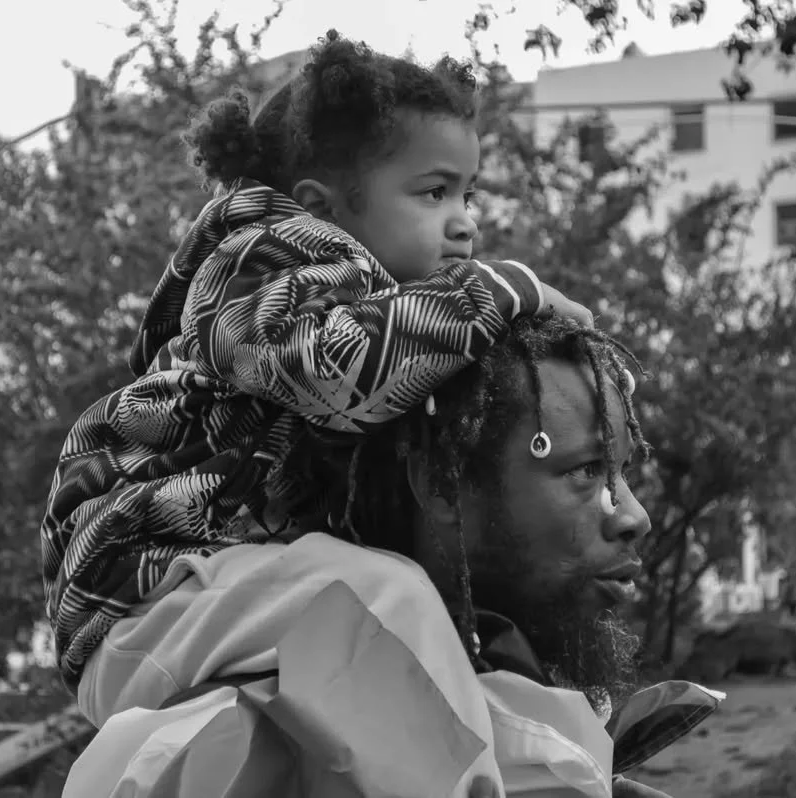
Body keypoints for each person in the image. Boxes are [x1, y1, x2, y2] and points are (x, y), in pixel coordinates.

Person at [42, 31, 595, 797]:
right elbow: (332, 368)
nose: (465, 222)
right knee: (388, 599)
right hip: (145, 607)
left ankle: (559, 768)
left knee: (434, 658)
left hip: (215, 598)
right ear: (321, 208)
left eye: (468, 194)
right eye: (434, 193)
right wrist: (501, 291)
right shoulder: (263, 258)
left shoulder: (346, 291)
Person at [63, 316, 700, 797]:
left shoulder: (507, 702)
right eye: (586, 471)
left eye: (623, 471)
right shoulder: (226, 743)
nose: (635, 516)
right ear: (442, 486)